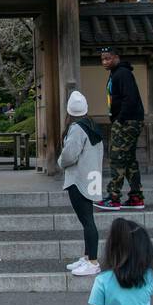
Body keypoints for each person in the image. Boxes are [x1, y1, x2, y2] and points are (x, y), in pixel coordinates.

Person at [59, 90, 104, 277]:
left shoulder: (77, 128)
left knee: (87, 221)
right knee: (88, 219)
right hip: (93, 176)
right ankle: (87, 257)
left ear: (69, 110)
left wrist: (60, 162)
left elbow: (69, 155)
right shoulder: (92, 125)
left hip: (79, 179)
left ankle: (93, 261)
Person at [95, 46, 145, 211]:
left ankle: (114, 197)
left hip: (126, 121)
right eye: (103, 59)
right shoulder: (116, 73)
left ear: (117, 57)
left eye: (108, 58)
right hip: (130, 120)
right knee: (129, 159)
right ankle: (136, 197)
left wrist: (120, 119)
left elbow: (129, 98)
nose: (105, 62)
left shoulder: (122, 73)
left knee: (116, 157)